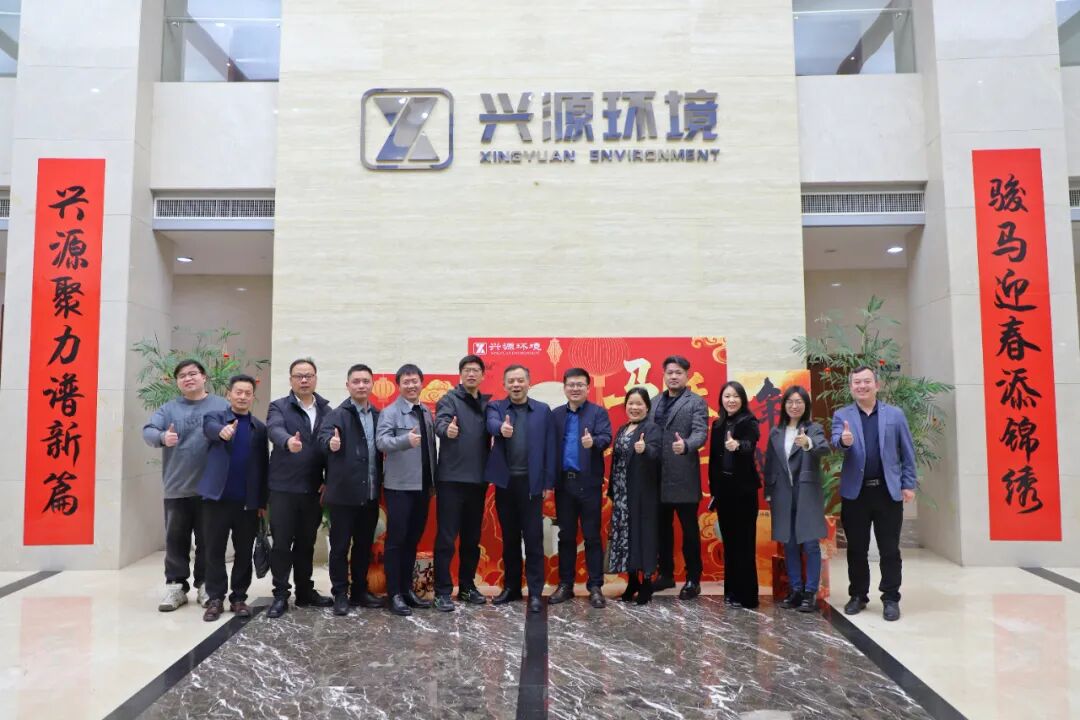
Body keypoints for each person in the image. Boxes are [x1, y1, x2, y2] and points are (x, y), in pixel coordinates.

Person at [142, 359, 229, 612]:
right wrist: (162, 437)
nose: (188, 378)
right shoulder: (169, 409)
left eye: (193, 374)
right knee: (176, 540)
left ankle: (205, 585)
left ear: (204, 377)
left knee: (208, 541)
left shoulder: (221, 406)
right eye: (182, 376)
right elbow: (148, 431)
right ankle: (176, 587)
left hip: (211, 489)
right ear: (177, 382)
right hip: (177, 486)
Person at [831, 365, 917, 622]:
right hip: (855, 494)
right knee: (856, 548)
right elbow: (836, 442)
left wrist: (908, 484)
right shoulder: (842, 415)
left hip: (886, 492)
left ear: (876, 385)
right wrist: (844, 441)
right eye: (857, 382)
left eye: (866, 381)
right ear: (851, 387)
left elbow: (907, 452)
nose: (862, 386)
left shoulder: (895, 415)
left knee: (889, 549)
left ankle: (890, 598)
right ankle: (858, 595)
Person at [265, 358, 334, 618]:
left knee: (306, 544)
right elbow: (274, 429)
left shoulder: (327, 410)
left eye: (308, 375)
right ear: (291, 379)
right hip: (283, 488)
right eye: (298, 376)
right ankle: (281, 594)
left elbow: (331, 449)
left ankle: (305, 591)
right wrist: (287, 442)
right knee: (282, 545)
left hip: (312, 489)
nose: (304, 380)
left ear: (315, 378)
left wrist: (329, 480)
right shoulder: (279, 406)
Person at [485, 365, 556, 615]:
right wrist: (500, 429)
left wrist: (547, 483)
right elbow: (491, 424)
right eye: (511, 381)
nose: (516, 385)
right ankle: (512, 587)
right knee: (510, 538)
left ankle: (535, 592)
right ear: (504, 385)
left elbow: (550, 448)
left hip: (532, 484)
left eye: (520, 380)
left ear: (529, 382)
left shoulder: (542, 410)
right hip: (505, 484)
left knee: (534, 539)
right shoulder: (496, 408)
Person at [197, 375, 269, 622]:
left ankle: (238, 597)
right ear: (229, 394)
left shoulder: (259, 428)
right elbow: (211, 430)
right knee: (214, 550)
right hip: (216, 499)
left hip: (247, 502)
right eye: (238, 392)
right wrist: (223, 432)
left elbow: (263, 465)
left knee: (244, 552)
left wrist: (262, 502)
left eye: (247, 393)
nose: (242, 397)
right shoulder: (215, 418)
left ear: (253, 397)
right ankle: (215, 598)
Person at [319, 363, 385, 617]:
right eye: (356, 381)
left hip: (369, 494)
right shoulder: (337, 415)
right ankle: (340, 593)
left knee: (364, 546)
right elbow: (322, 439)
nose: (361, 385)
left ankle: (360, 590)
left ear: (372, 384)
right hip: (343, 496)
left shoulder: (378, 415)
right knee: (339, 547)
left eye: (365, 381)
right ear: (347, 385)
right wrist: (331, 443)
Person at [376, 364, 438, 617]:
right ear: (399, 385)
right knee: (396, 541)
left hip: (423, 487)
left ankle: (407, 590)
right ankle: (394, 594)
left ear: (421, 383)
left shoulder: (425, 412)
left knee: (412, 540)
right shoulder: (390, 412)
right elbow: (381, 442)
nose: (411, 386)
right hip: (400, 487)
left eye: (415, 381)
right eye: (406, 382)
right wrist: (405, 440)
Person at [549, 368, 613, 609]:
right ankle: (566, 584)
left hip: (589, 484)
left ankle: (595, 586)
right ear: (564, 388)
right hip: (564, 484)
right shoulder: (556, 415)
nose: (575, 389)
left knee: (592, 536)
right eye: (571, 385)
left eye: (580, 385)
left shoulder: (598, 413)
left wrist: (593, 441)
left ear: (588, 388)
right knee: (566, 536)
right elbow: (548, 446)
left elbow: (606, 437)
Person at [433, 355, 492, 611]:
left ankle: (467, 586)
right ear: (460, 374)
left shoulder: (487, 404)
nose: (471, 374)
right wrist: (447, 429)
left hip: (477, 481)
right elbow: (440, 422)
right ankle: (442, 591)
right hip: (451, 481)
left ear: (482, 375)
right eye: (467, 370)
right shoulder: (449, 399)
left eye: (475, 370)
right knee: (447, 539)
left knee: (471, 539)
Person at [763, 386, 828, 614]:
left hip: (806, 493)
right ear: (784, 405)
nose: (794, 405)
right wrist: (768, 492)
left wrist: (808, 443)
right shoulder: (776, 432)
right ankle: (796, 589)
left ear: (806, 405)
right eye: (790, 401)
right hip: (782, 493)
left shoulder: (813, 428)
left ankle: (810, 592)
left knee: (810, 543)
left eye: (799, 401)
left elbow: (823, 448)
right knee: (789, 543)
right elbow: (770, 464)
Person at [649, 355, 708, 600]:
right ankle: (666, 574)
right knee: (662, 530)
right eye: (670, 372)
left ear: (687, 375)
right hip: (657, 478)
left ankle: (694, 579)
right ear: (664, 375)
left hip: (683, 477)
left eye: (678, 373)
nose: (674, 376)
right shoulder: (654, 402)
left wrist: (686, 445)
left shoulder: (696, 402)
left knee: (689, 531)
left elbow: (701, 433)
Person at [607, 387, 662, 605]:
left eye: (639, 404)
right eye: (631, 403)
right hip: (622, 493)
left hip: (643, 493)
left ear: (647, 407)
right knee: (627, 537)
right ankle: (632, 581)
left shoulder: (652, 429)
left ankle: (647, 582)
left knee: (644, 536)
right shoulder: (622, 429)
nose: (634, 407)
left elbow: (657, 454)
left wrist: (645, 449)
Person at [708, 381, 761, 609]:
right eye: (727, 396)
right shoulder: (717, 424)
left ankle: (748, 596)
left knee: (744, 543)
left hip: (744, 491)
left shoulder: (749, 421)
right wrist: (714, 490)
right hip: (724, 492)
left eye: (735, 396)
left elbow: (750, 443)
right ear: (721, 399)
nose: (731, 400)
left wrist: (737, 445)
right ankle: (731, 592)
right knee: (729, 543)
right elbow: (713, 460)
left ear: (742, 399)